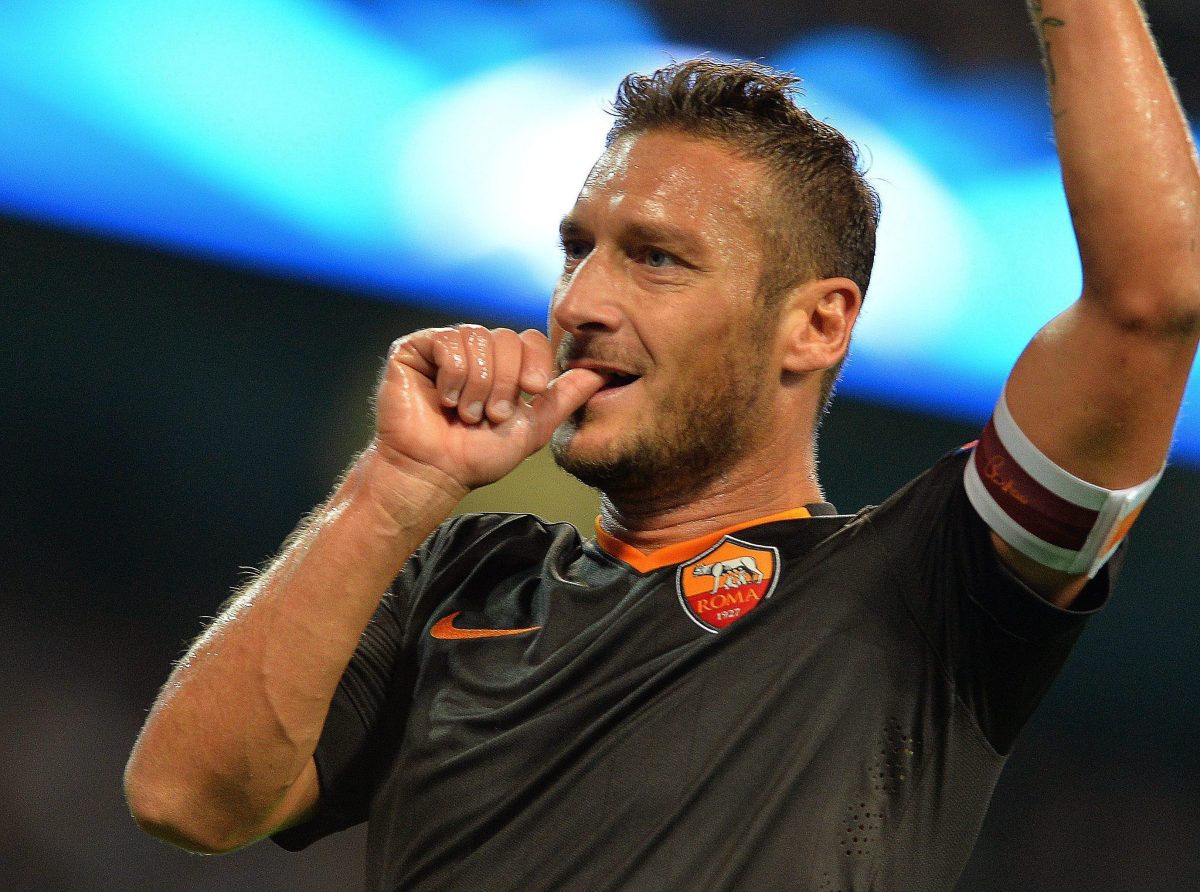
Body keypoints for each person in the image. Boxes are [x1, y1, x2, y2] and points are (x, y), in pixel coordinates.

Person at [125, 2, 1199, 889]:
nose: (580, 301)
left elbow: (1152, 300)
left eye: (657, 259)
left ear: (816, 324)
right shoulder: (459, 576)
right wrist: (395, 484)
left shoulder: (928, 587)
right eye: (577, 250)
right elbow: (185, 800)